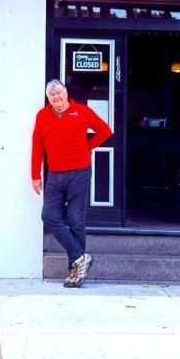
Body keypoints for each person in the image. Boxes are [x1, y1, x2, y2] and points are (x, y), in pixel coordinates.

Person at [31, 79, 113, 287]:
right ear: (48, 98)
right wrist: (35, 175)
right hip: (55, 175)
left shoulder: (82, 111)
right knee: (49, 216)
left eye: (59, 94)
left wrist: (87, 147)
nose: (56, 98)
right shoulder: (42, 116)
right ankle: (80, 257)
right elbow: (37, 145)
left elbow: (105, 131)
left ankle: (75, 273)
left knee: (76, 220)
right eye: (52, 96)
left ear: (66, 93)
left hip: (79, 173)